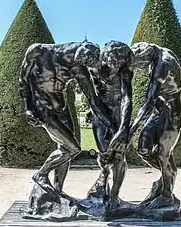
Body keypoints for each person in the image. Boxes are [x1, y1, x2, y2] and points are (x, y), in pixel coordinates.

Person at [19, 41, 113, 197]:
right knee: (72, 148)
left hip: (62, 108)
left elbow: (92, 99)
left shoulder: (78, 68)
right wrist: (28, 108)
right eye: (86, 62)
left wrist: (109, 123)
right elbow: (23, 80)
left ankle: (57, 191)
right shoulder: (38, 51)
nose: (84, 66)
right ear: (80, 51)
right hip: (42, 107)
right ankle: (41, 174)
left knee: (64, 149)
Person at [128, 42, 181, 209]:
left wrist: (130, 131)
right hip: (158, 111)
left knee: (163, 155)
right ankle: (166, 176)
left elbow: (148, 102)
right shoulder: (156, 53)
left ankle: (167, 194)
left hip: (172, 113)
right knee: (143, 150)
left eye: (139, 65)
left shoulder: (163, 64)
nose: (140, 67)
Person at [87, 41, 133, 207]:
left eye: (119, 63)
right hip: (100, 114)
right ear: (105, 57)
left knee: (120, 155)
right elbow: (92, 97)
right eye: (113, 61)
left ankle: (114, 195)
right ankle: (104, 176)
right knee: (105, 153)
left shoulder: (125, 72)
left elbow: (127, 98)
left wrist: (123, 128)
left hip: (118, 114)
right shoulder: (94, 69)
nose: (115, 66)